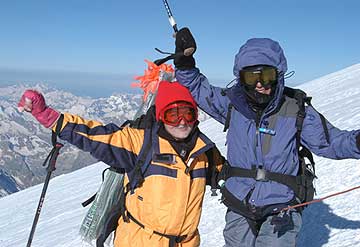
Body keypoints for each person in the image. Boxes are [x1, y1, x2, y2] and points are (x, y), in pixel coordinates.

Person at [172, 27, 360, 246]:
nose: (259, 84)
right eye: (251, 77)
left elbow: (332, 142)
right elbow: (198, 88)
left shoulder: (296, 110)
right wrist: (185, 63)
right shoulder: (232, 105)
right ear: (240, 78)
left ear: (278, 75)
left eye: (266, 76)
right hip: (239, 201)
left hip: (282, 205)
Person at [18, 80, 224, 247]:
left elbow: (228, 175)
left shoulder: (204, 151)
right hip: (140, 241)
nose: (182, 121)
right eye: (173, 114)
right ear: (161, 116)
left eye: (188, 113)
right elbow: (94, 136)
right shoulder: (140, 143)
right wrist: (48, 116)